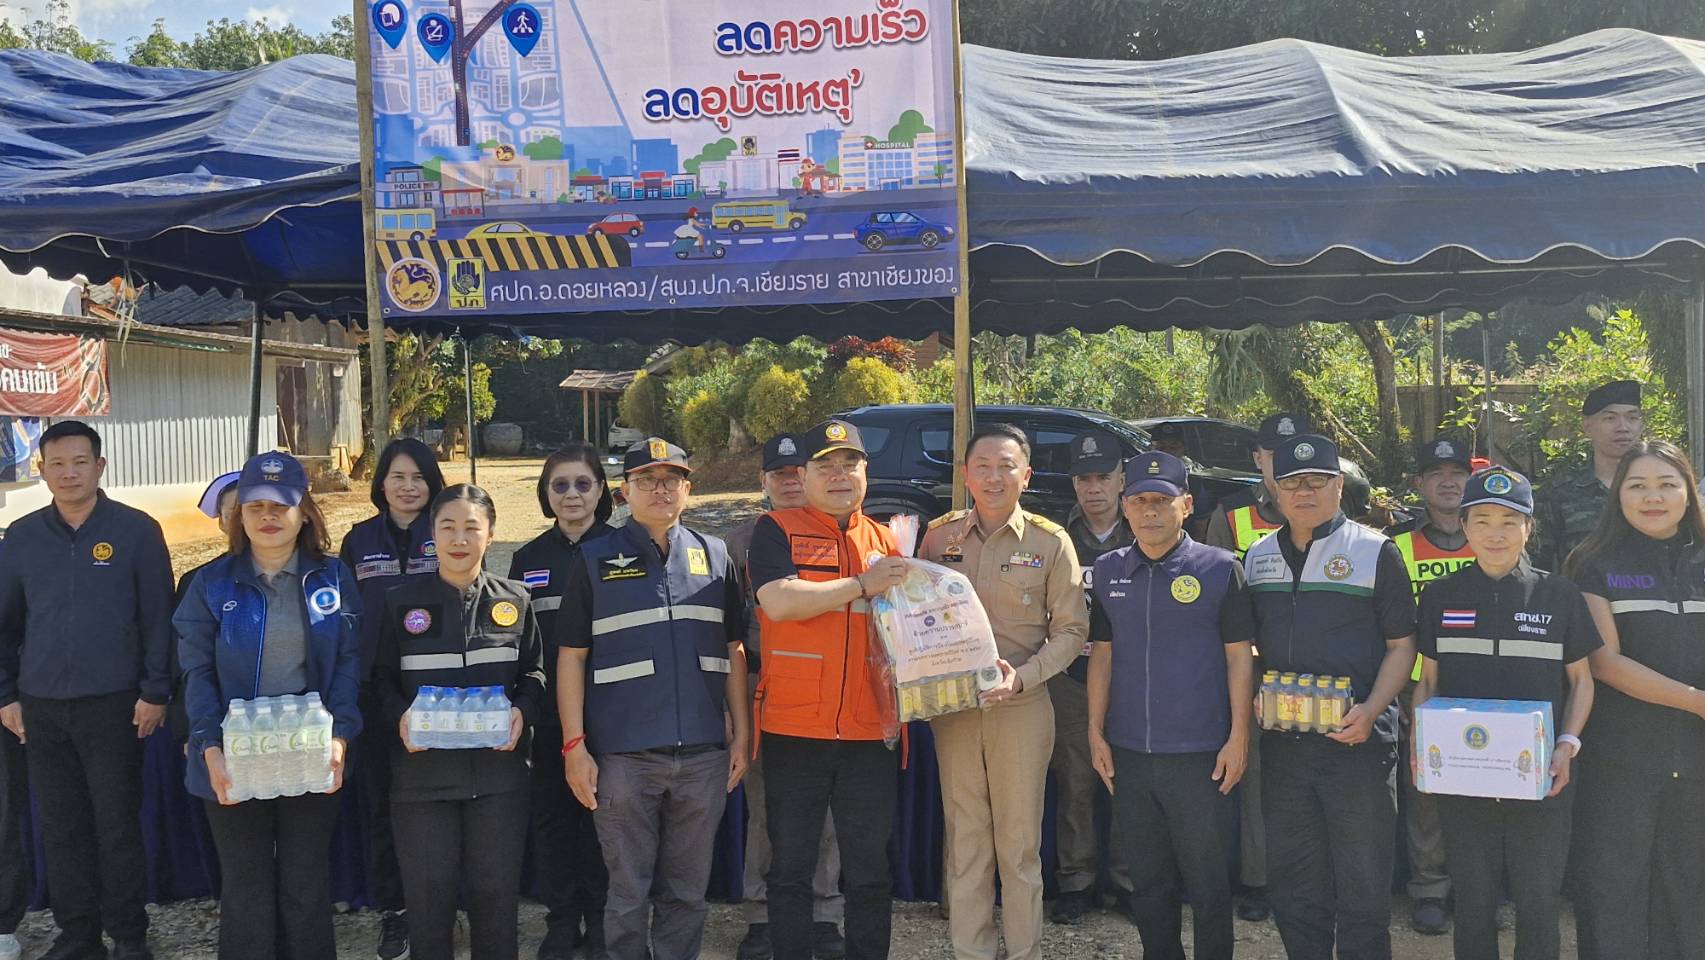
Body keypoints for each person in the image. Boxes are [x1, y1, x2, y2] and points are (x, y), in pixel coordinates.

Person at [556, 438, 749, 960]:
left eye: (671, 479)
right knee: (626, 892)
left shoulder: (715, 554)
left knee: (688, 892)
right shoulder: (594, 559)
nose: (660, 489)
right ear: (624, 493)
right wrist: (575, 746)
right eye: (646, 480)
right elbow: (571, 657)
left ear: (688, 488)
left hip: (704, 756)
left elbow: (733, 650)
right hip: (623, 756)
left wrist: (743, 736)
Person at [175, 451, 364, 960]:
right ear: (239, 515)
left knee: (305, 883)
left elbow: (347, 665)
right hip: (232, 758)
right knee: (246, 885)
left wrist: (340, 736)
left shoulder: (332, 577)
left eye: (281, 504)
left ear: (304, 512)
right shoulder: (209, 585)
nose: (268, 515)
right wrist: (209, 747)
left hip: (309, 751)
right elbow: (197, 675)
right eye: (255, 505)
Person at [0, 420, 173, 960]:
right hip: (42, 709)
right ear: (41, 470)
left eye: (80, 462)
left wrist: (156, 691)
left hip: (117, 705)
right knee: (61, 828)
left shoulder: (137, 530)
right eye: (57, 464)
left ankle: (127, 935)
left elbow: (158, 618)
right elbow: (5, 626)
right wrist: (7, 695)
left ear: (100, 466)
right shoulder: (22, 538)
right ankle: (77, 936)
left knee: (117, 826)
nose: (69, 473)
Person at [1412, 466, 1597, 960]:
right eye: (1483, 520)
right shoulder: (1440, 596)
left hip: (1542, 778)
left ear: (1529, 529)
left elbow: (1581, 681)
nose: (1496, 533)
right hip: (1465, 780)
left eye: (1509, 521)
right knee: (1472, 901)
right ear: (1466, 526)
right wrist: (1421, 747)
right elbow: (1427, 680)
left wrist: (1567, 744)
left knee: (1538, 902)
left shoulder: (1559, 595)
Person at [1243, 433, 1416, 960]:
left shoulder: (1374, 551)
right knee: (1295, 883)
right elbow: (1247, 647)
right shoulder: (1256, 556)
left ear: (1339, 486)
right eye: (1292, 482)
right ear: (1276, 489)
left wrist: (1372, 710)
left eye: (1317, 481)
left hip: (1357, 745)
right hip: (1285, 747)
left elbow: (1402, 647)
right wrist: (1255, 694)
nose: (1303, 491)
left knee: (1363, 884)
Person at [919, 423, 1087, 960]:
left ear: (1027, 475)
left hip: (1022, 708)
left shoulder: (1050, 540)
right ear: (966, 474)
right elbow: (911, 619)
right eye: (983, 466)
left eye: (1006, 466)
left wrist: (1025, 675)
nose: (994, 477)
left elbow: (1072, 630)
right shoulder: (937, 538)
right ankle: (972, 952)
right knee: (966, 842)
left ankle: (1024, 952)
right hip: (956, 711)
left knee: (1018, 847)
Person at [1086, 451, 1254, 960]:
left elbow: (1239, 659)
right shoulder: (1108, 569)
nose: (1150, 511)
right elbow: (1102, 658)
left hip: (1201, 753)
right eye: (1139, 501)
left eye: (1162, 501)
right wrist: (1095, 732)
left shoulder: (1222, 568)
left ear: (1186, 504)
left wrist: (1239, 737)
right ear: (1125, 505)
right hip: (1131, 753)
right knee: (1148, 882)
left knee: (1207, 884)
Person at [747, 421, 904, 960]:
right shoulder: (776, 528)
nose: (839, 475)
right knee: (789, 867)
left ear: (867, 471)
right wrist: (863, 584)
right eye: (825, 466)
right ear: (803, 474)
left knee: (868, 871)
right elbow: (781, 602)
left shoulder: (888, 540)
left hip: (870, 728)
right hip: (795, 726)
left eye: (850, 464)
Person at [377, 484, 546, 960]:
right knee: (429, 908)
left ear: (490, 535)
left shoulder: (515, 599)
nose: (459, 538)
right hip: (421, 784)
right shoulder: (399, 602)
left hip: (498, 782)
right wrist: (400, 718)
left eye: (471, 527)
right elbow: (380, 681)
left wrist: (523, 711)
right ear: (432, 534)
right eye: (448, 526)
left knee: (496, 906)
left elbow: (534, 672)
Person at [1566, 441, 1705, 960]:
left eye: (1668, 484)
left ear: (1688, 492)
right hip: (1620, 758)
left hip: (1696, 760)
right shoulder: (1593, 563)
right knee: (1612, 889)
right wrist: (1696, 702)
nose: (1654, 497)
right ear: (1617, 494)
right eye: (1638, 485)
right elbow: (1606, 664)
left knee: (1691, 888)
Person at [731, 433, 845, 960]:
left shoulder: (845, 535)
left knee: (822, 813)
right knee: (767, 811)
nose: (792, 480)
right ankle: (760, 914)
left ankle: (823, 913)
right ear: (764, 483)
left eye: (801, 470)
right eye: (780, 473)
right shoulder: (739, 544)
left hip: (830, 692)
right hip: (762, 687)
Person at [1202, 410, 1310, 923]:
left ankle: (1312, 875)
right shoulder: (1231, 512)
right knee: (1258, 776)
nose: (1284, 464)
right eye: (1272, 453)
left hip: (1314, 668)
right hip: (1253, 667)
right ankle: (1261, 881)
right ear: (1257, 458)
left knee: (1314, 772)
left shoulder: (1332, 503)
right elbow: (1210, 594)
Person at [338, 437, 444, 960]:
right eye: (398, 477)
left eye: (419, 477)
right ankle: (394, 912)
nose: (408, 487)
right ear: (381, 483)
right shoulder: (358, 541)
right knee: (383, 805)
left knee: (439, 804)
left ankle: (443, 907)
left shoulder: (447, 531)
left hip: (440, 694)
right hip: (374, 695)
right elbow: (342, 618)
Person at [507, 444, 614, 960]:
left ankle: (600, 921)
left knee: (603, 822)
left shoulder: (627, 547)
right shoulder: (528, 560)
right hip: (549, 718)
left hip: (616, 715)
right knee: (552, 822)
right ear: (546, 495)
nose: (571, 494)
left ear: (601, 490)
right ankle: (562, 922)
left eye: (583, 483)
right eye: (560, 485)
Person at [1383, 437, 1476, 936]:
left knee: (1489, 788)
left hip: (1484, 688)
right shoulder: (1394, 544)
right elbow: (1382, 626)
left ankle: (1481, 887)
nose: (1448, 481)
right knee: (1426, 794)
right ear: (1418, 484)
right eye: (1436, 473)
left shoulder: (1492, 532)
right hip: (1417, 689)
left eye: (1457, 471)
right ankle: (1430, 890)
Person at [1050, 432, 1134, 924]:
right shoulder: (1056, 536)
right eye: (1084, 478)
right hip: (1071, 677)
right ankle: (1075, 884)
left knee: (1130, 783)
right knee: (1075, 785)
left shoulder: (1147, 526)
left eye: (1104, 476)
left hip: (1133, 678)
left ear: (1122, 480)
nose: (1094, 487)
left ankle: (1127, 883)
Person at [1533, 379, 1644, 571]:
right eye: (1610, 418)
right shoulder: (1558, 494)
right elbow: (1537, 567)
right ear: (1587, 427)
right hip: (1582, 598)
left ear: (1641, 425)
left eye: (1632, 418)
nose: (1623, 427)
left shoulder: (1662, 490)